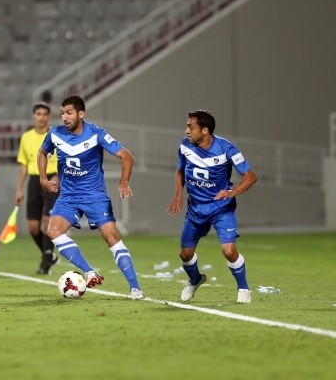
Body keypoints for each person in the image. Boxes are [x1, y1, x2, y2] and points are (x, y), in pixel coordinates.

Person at [37, 95, 145, 300]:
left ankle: (135, 288)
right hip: (68, 196)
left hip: (94, 195)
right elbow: (42, 153)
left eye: (69, 113)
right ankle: (89, 271)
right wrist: (43, 178)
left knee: (112, 238)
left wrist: (123, 182)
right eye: (62, 113)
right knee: (53, 231)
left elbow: (126, 156)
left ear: (81, 113)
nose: (64, 117)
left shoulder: (96, 134)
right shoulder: (55, 134)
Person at [167, 110, 257, 304]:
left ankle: (243, 289)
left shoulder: (227, 149)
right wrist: (178, 195)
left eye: (191, 127)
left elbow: (250, 176)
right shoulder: (184, 147)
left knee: (228, 250)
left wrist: (232, 192)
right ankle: (195, 279)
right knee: (185, 254)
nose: (186, 131)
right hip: (196, 209)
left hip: (221, 208)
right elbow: (180, 171)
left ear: (205, 130)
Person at [15, 103, 59, 275]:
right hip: (34, 181)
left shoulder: (56, 135)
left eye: (44, 114)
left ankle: (46, 260)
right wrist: (19, 189)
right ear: (33, 116)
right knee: (33, 227)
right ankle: (48, 255)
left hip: (52, 178)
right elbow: (24, 165)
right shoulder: (26, 137)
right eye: (38, 114)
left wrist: (58, 177)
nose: (41, 117)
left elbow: (63, 159)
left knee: (47, 222)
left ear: (49, 116)